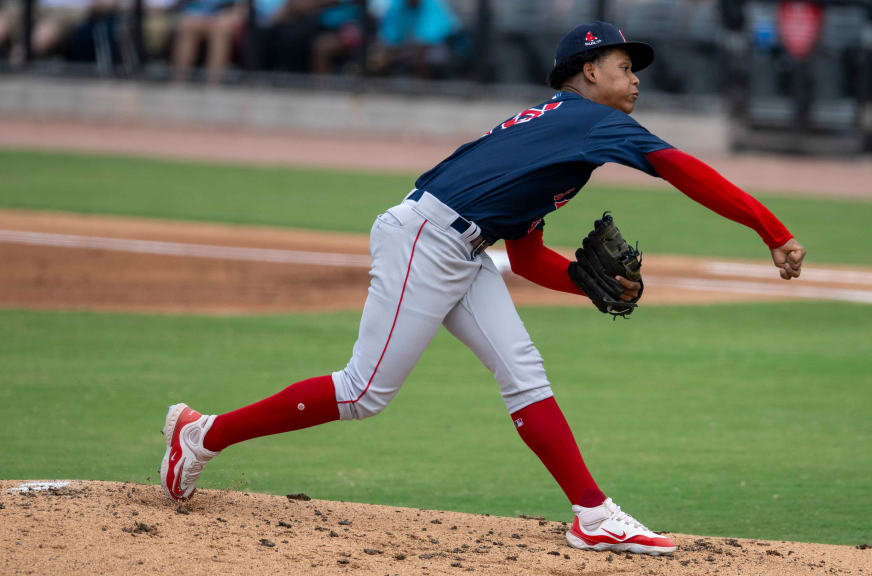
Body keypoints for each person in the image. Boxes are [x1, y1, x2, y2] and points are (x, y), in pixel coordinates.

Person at [160, 20, 806, 556]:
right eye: (623, 66)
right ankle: (202, 435)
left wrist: (589, 286)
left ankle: (593, 514)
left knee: (524, 372)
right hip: (426, 239)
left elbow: (524, 258)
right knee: (363, 391)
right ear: (588, 72)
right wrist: (772, 232)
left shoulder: (551, 132)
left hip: (459, 246)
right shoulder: (590, 121)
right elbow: (684, 169)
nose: (635, 79)